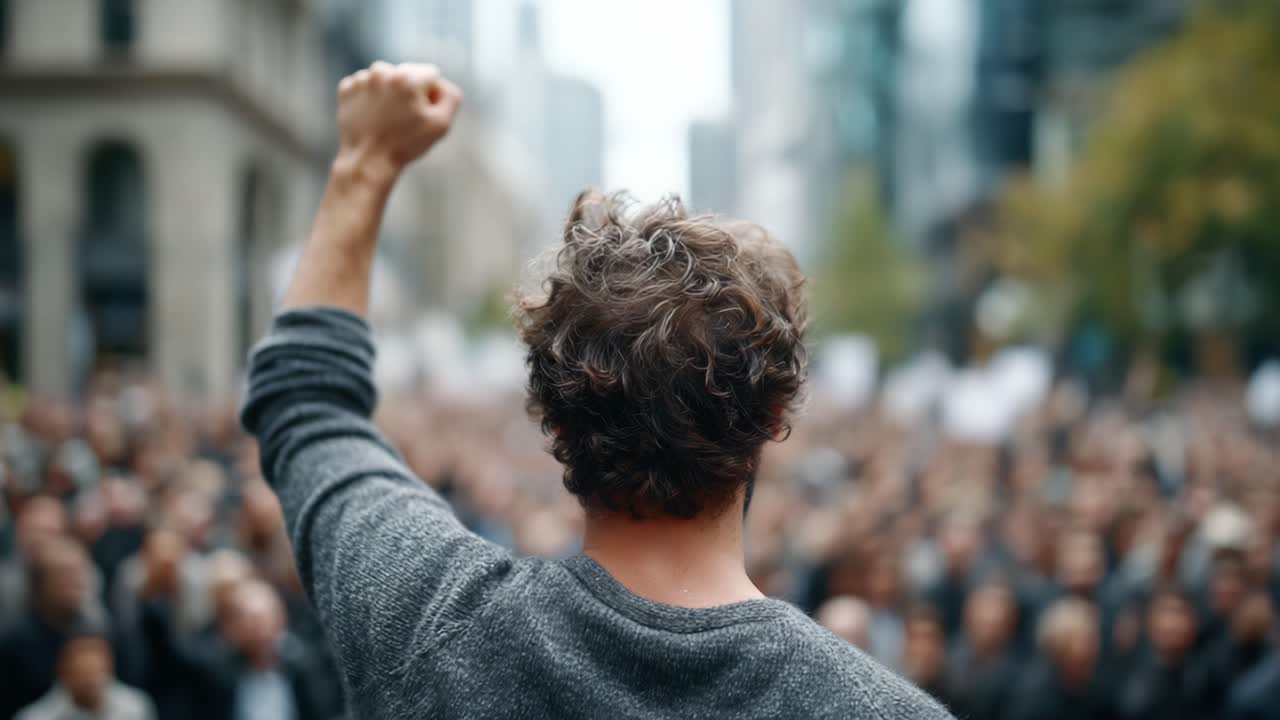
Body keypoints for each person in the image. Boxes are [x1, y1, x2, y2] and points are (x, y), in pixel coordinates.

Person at [239, 60, 952, 718]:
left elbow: (308, 405)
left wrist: (365, 163)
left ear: (552, 418)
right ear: (773, 414)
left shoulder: (436, 625)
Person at [15, 628, 156, 720]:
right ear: (62, 670)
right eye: (82, 671)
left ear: (110, 667)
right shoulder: (34, 717)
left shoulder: (136, 708)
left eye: (95, 670)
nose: (90, 681)